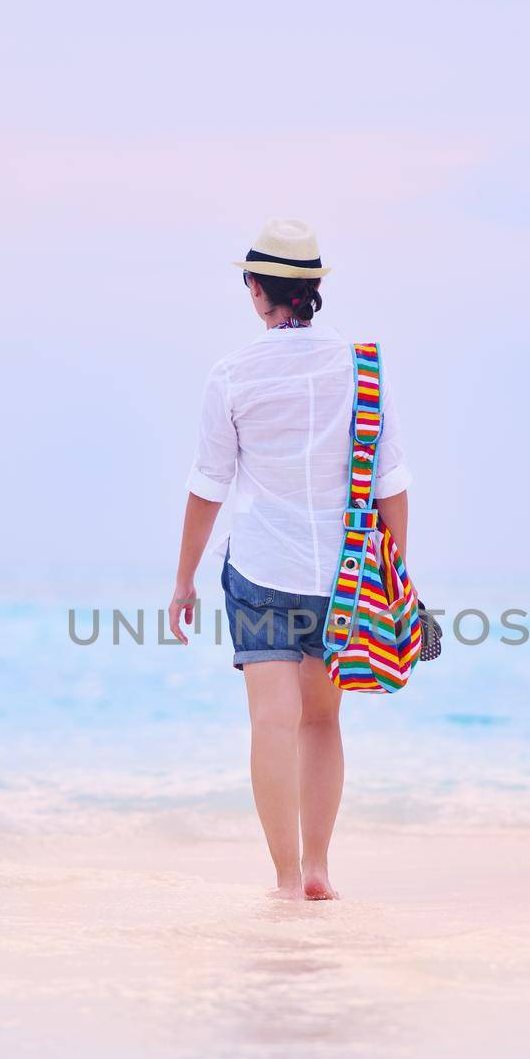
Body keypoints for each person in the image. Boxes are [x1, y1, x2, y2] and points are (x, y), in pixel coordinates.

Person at [168, 219, 413, 900]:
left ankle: (282, 879)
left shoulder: (232, 375)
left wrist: (183, 581)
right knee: (323, 721)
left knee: (271, 723)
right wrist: (395, 577)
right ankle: (318, 870)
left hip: (261, 572)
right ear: (313, 290)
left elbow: (208, 486)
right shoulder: (363, 368)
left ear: (255, 290)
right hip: (342, 578)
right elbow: (392, 485)